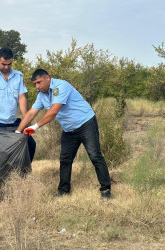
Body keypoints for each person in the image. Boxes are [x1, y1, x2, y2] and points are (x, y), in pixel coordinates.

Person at [16, 69, 111, 199]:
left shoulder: (61, 86)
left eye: (39, 82)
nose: (37, 86)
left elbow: (54, 111)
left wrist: (36, 126)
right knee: (65, 160)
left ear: (48, 78)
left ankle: (106, 190)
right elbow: (31, 113)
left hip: (86, 124)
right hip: (69, 130)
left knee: (95, 156)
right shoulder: (41, 95)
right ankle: (63, 191)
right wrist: (18, 131)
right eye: (35, 84)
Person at [0, 47, 36, 162]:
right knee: (1, 156)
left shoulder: (18, 76)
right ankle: (0, 179)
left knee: (30, 145)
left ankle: (22, 177)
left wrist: (26, 117)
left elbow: (21, 98)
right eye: (3, 64)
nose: (6, 67)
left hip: (14, 123)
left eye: (9, 64)